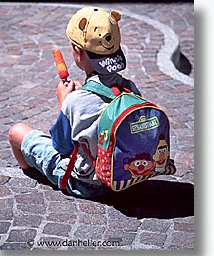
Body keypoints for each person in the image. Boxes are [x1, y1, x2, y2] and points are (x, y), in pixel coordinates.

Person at [9, 6, 142, 199]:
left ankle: (30, 170)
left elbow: (61, 147)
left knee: (17, 132)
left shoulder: (75, 102)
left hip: (87, 183)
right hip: (126, 176)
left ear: (77, 52)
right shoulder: (130, 88)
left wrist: (65, 102)